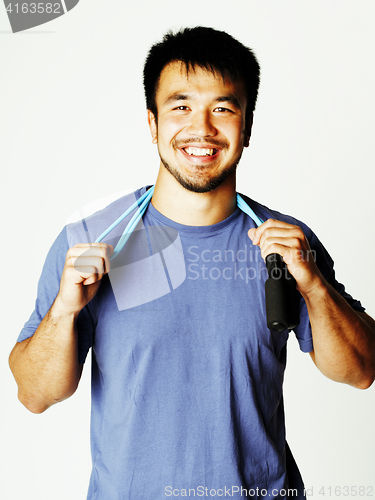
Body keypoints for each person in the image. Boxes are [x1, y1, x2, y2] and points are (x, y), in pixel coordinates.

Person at [9, 26, 375, 499]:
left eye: (223, 108)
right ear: (152, 123)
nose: (201, 129)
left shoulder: (287, 244)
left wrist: (314, 286)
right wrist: (63, 310)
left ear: (246, 126)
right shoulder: (90, 239)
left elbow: (361, 371)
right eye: (180, 106)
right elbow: (35, 396)